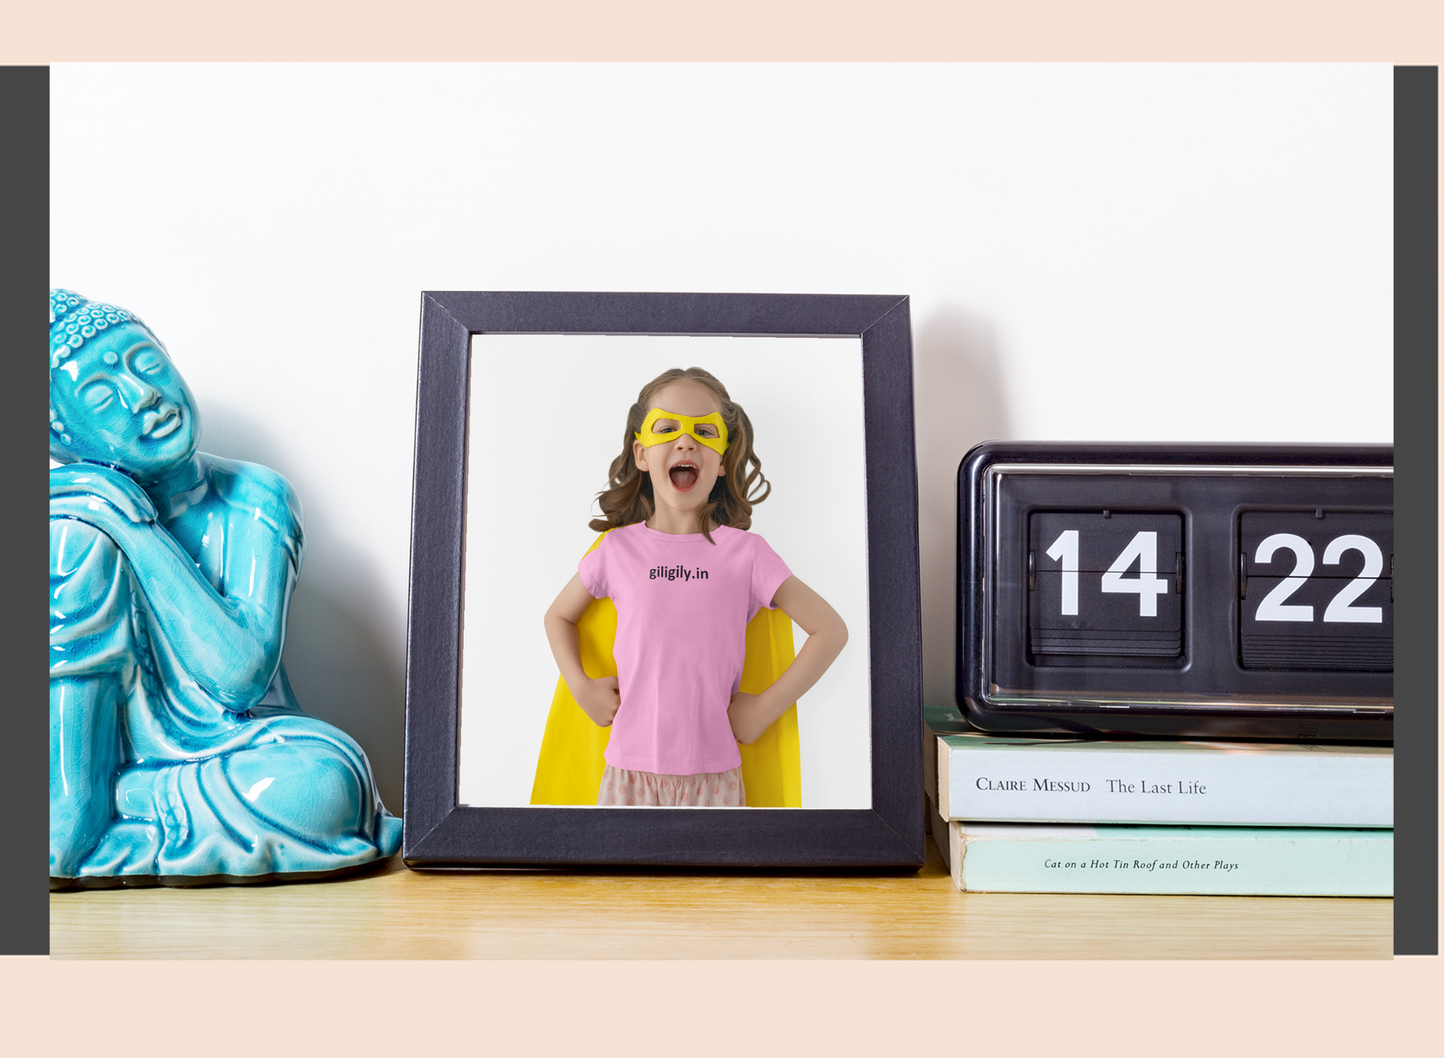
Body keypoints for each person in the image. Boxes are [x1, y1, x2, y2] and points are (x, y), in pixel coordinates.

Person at [48, 290, 401, 886]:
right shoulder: (70, 532)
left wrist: (134, 529)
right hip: (81, 775)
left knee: (327, 780)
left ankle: (123, 814)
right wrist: (101, 526)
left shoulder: (253, 496)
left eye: (146, 362)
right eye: (103, 396)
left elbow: (239, 677)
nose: (143, 396)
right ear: (65, 441)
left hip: (233, 752)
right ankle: (84, 823)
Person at [542, 367, 847, 807]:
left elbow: (830, 630)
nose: (686, 441)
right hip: (626, 776)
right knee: (622, 881)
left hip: (716, 780)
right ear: (642, 453)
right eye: (667, 428)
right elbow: (558, 616)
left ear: (722, 460)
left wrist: (763, 710)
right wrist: (581, 687)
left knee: (716, 882)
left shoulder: (748, 554)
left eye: (704, 431)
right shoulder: (616, 550)